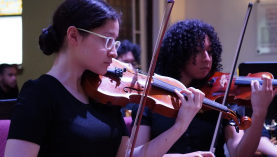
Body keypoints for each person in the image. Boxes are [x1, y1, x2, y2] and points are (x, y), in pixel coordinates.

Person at [4, 1, 206, 157]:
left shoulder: (106, 93)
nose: (113, 53)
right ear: (74, 36)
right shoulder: (39, 94)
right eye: (107, 40)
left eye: (115, 43)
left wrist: (180, 126)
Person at [131, 19, 277, 157]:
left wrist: (260, 112)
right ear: (179, 53)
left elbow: (240, 153)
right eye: (197, 51)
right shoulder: (151, 98)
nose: (207, 58)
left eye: (209, 51)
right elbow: (137, 154)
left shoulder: (221, 96)